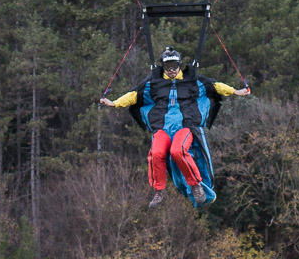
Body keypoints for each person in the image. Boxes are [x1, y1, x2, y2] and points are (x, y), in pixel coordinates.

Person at [100, 46, 250, 207]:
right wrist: (114, 103)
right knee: (155, 153)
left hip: (184, 126)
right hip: (163, 128)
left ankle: (196, 185)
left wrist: (236, 91)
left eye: (174, 66)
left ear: (179, 65)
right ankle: (158, 191)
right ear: (163, 67)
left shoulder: (192, 81)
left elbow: (216, 86)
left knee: (178, 151)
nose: (171, 70)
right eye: (168, 67)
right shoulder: (154, 83)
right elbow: (134, 96)